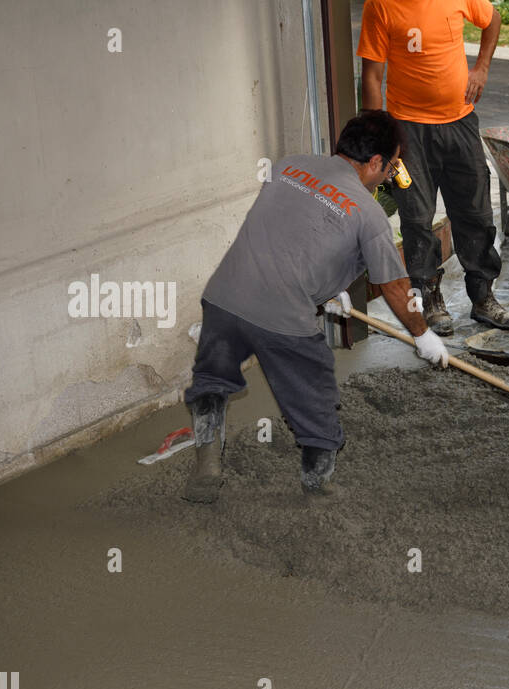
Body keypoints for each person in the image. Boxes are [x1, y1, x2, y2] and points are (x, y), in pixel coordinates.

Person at [182, 110, 450, 503]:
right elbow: (394, 286)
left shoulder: (289, 166)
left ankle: (207, 461)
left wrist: (327, 287)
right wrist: (422, 334)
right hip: (283, 317)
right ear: (375, 162)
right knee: (315, 395)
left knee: (211, 380)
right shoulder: (369, 211)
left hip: (223, 297)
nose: (388, 176)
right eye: (391, 167)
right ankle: (318, 485)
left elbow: (289, 231)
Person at [357, 0, 509, 335]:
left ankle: (483, 298)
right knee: (416, 218)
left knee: (475, 213)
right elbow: (372, 77)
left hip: (460, 123)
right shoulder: (381, 5)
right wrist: (380, 141)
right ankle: (430, 300)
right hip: (408, 130)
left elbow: (493, 20)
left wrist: (482, 68)